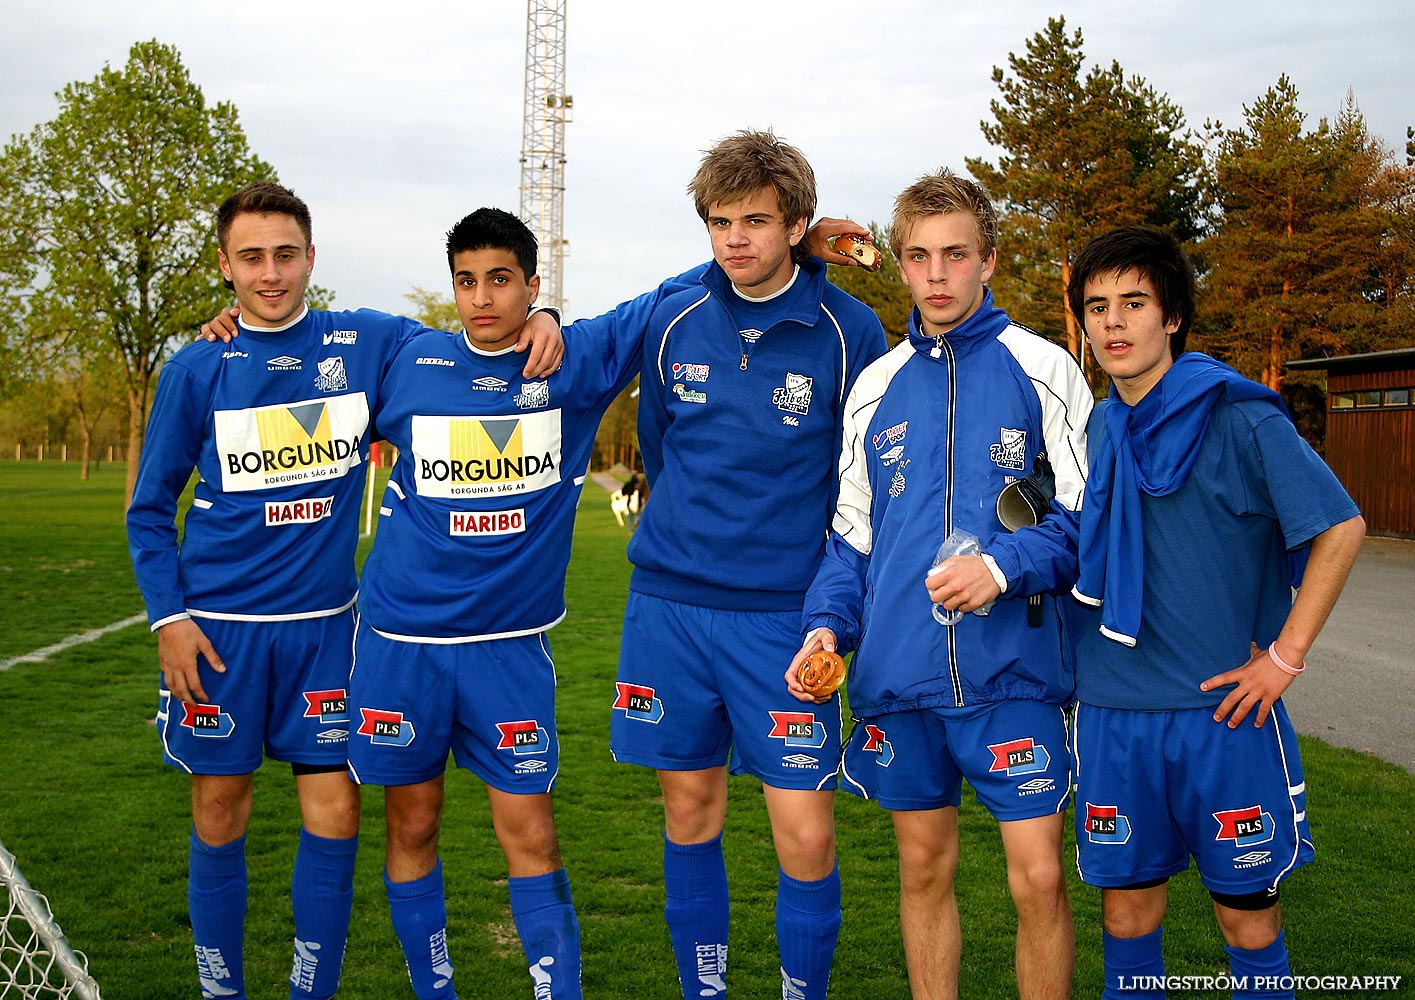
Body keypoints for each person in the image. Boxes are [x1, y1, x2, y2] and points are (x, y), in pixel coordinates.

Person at [125, 182, 561, 1000]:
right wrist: (169, 619)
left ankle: (307, 992)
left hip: (329, 632)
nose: (270, 273)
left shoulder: (368, 342)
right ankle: (222, 989)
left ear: (311, 259)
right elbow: (150, 508)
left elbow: (470, 341)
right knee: (219, 817)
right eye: (251, 258)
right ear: (225, 267)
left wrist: (545, 319)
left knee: (337, 819)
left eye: (285, 255)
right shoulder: (196, 367)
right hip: (218, 634)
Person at [347, 207, 696, 999]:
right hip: (401, 640)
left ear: (532, 284)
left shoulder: (572, 361)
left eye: (501, 280)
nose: (481, 297)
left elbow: (679, 290)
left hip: (508, 647)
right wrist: (229, 318)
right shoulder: (407, 357)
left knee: (532, 833)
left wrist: (801, 249)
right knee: (412, 825)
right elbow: (298, 337)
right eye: (466, 281)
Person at [786, 169, 1090, 1000]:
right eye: (919, 256)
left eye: (955, 255)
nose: (937, 274)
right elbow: (849, 543)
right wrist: (826, 628)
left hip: (1014, 674)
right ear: (901, 263)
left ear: (986, 260)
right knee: (922, 873)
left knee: (1038, 882)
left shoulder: (1045, 368)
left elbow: (1090, 517)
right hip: (900, 678)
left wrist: (999, 568)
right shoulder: (873, 389)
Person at [608, 130, 888, 1000]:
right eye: (720, 222)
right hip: (671, 607)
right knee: (689, 813)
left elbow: (864, 476)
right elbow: (660, 440)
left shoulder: (850, 329)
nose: (734, 239)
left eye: (756, 222)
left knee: (803, 833)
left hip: (784, 615)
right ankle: (707, 989)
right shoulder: (672, 314)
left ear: (797, 225)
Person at [1065, 226, 1365, 1000]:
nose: (1113, 323)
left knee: (1248, 924)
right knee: (1126, 918)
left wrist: (1284, 658)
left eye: (1133, 303)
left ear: (1170, 317)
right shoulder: (1103, 423)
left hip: (1220, 715)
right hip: (1111, 712)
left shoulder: (1237, 415)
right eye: (1097, 306)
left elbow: (1340, 526)